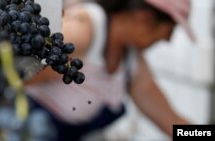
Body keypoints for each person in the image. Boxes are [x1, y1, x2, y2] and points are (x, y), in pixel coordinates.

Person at [25, 0, 195, 140]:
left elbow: (173, 123)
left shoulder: (130, 62)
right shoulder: (83, 30)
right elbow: (12, 76)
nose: (167, 40)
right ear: (146, 18)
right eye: (170, 30)